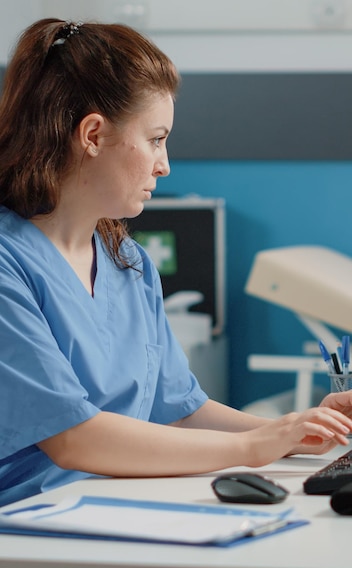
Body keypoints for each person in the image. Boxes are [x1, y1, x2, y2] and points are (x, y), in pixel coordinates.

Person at [0, 18, 351, 508]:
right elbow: (72, 438)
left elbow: (179, 410)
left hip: (115, 509)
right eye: (156, 139)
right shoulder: (8, 264)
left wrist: (296, 430)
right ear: (94, 135)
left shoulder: (129, 264)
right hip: (27, 525)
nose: (164, 165)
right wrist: (251, 448)